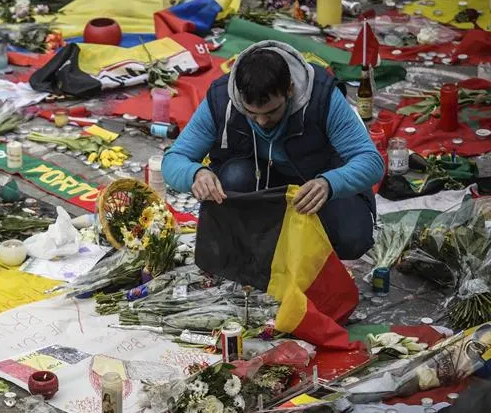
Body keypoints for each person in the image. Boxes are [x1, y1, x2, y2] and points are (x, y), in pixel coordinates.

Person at [162, 40, 384, 260]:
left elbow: (371, 162)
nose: (261, 122)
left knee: (351, 239)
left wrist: (329, 183)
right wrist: (196, 174)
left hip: (313, 184)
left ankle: (289, 241)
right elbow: (174, 159)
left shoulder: (322, 97)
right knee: (234, 176)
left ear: (289, 90)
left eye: (271, 113)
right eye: (251, 113)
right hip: (259, 183)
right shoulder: (223, 99)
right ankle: (260, 242)